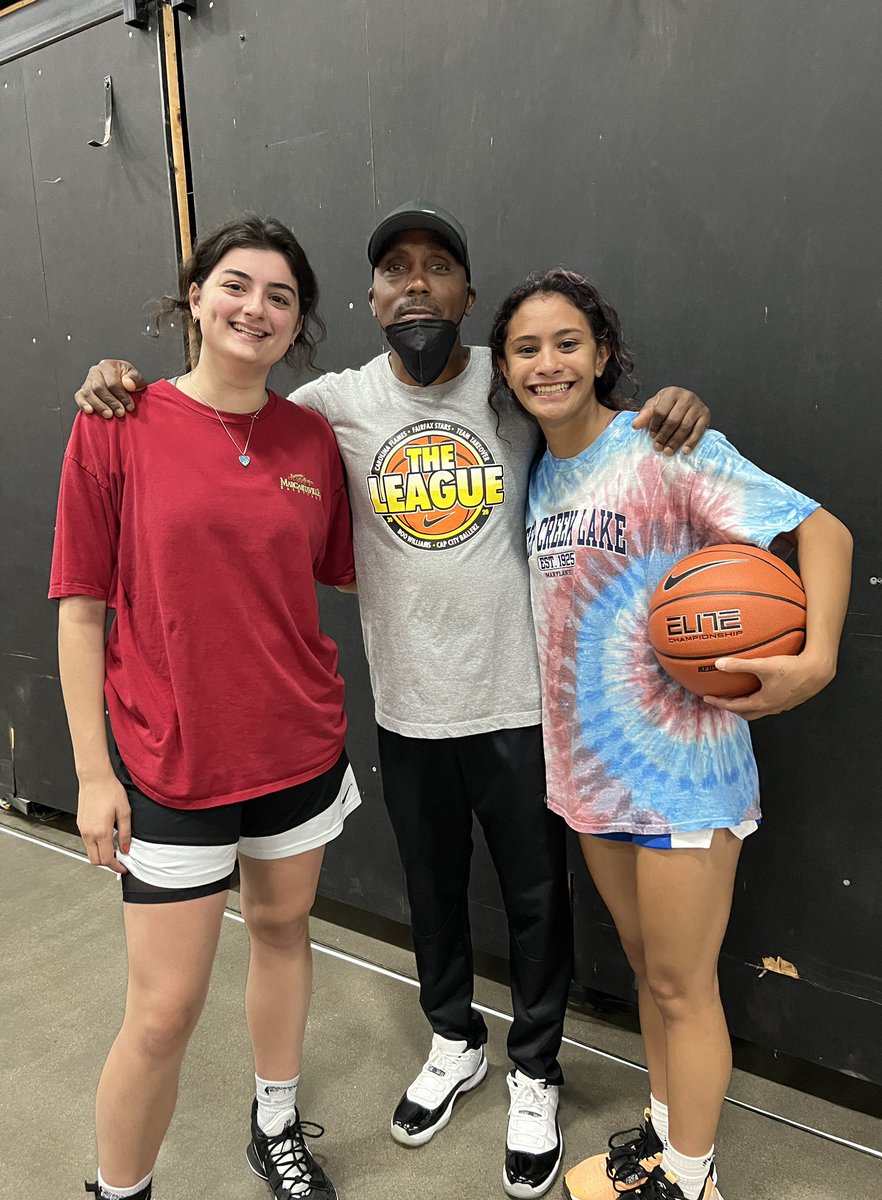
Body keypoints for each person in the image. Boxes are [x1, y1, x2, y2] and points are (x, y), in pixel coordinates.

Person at [72, 202, 711, 1200]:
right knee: (432, 891)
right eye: (396, 270)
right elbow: (228, 417)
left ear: (468, 295)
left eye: (440, 267)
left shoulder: (515, 384)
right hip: (408, 705)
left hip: (519, 701)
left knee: (540, 902)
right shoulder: (329, 407)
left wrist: (667, 407)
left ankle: (536, 1068)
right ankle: (453, 1038)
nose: (418, 283)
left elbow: (595, 418)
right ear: (368, 301)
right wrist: (119, 383)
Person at [488, 268, 853, 1200]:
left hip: (684, 772)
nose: (548, 363)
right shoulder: (537, 473)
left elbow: (824, 532)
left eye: (567, 342)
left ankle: (691, 1182)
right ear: (505, 368)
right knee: (652, 970)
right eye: (526, 348)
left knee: (686, 985)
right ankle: (664, 1137)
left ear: (602, 353)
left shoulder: (665, 446)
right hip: (590, 775)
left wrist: (814, 660)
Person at [51, 215, 360, 1200]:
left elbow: (320, 580)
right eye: (237, 285)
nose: (255, 308)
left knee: (282, 930)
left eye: (280, 296)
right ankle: (118, 1189)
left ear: (299, 321)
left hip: (297, 751)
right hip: (172, 761)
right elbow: (81, 609)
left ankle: (274, 1125)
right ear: (195, 296)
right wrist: (95, 773)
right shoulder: (117, 421)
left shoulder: (311, 437)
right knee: (163, 1013)